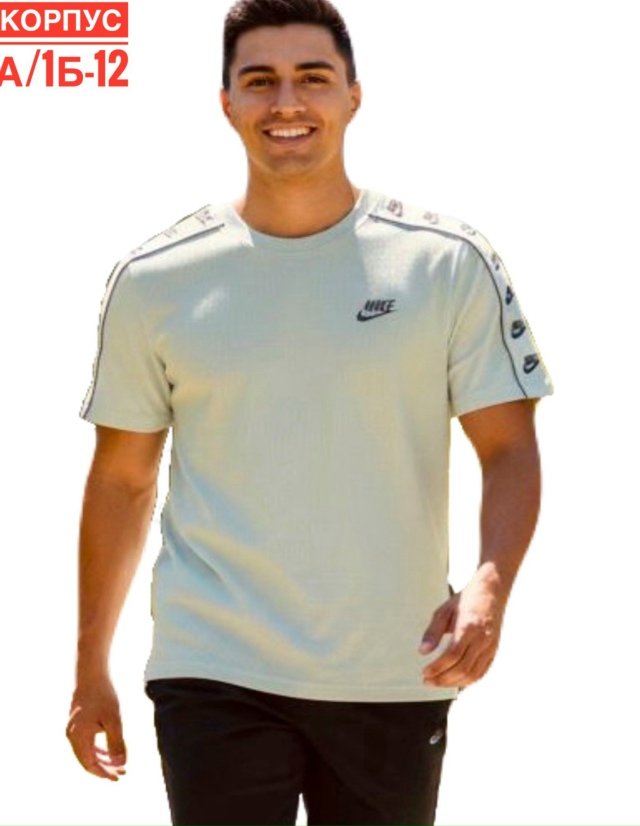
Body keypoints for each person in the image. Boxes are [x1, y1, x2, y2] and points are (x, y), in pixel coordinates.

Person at [66, 1, 553, 824]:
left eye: (312, 78)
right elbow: (121, 480)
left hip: (393, 665)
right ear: (227, 103)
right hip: (212, 664)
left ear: (353, 97)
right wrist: (90, 668)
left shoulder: (447, 264)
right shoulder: (153, 281)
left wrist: (490, 584)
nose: (286, 102)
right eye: (260, 81)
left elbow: (508, 446)